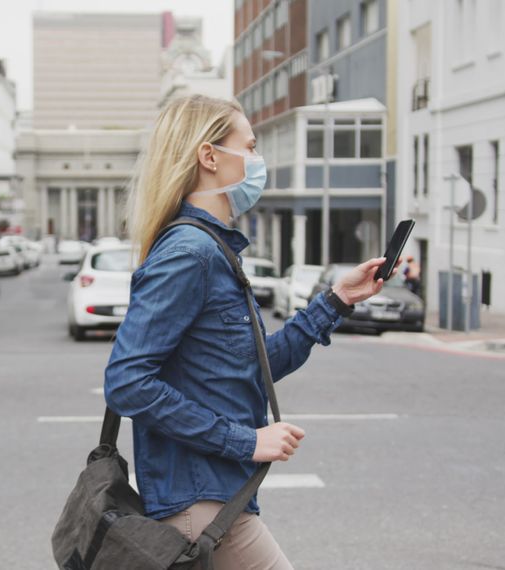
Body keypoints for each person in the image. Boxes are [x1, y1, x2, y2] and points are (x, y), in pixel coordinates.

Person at [103, 95, 398, 569]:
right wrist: (248, 440)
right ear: (210, 156)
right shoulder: (190, 253)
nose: (259, 160)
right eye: (252, 146)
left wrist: (335, 301)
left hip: (217, 499)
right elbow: (127, 382)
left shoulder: (214, 250)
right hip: (200, 505)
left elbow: (251, 367)